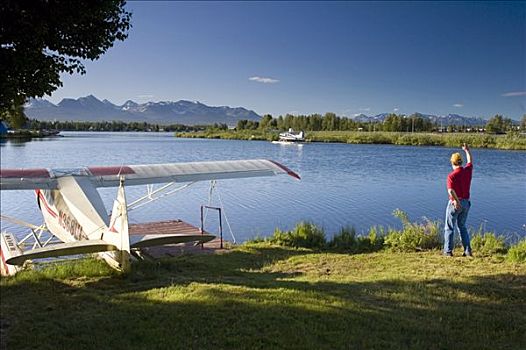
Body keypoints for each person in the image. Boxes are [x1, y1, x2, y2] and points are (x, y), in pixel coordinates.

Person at [444, 143, 473, 257]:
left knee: (449, 227)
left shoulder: (451, 176)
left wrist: (456, 201)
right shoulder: (467, 171)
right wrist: (467, 150)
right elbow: (470, 161)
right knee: (462, 226)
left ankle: (448, 251)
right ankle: (467, 251)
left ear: (452, 162)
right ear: (461, 162)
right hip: (466, 203)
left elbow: (450, 191)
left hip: (455, 204)